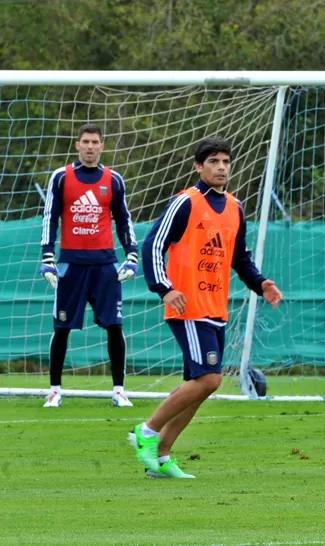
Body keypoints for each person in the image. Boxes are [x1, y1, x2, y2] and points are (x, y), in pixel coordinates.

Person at [128, 137, 283, 478]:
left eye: (226, 161)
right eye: (213, 161)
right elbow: (153, 244)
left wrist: (261, 283)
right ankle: (147, 431)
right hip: (187, 306)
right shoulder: (185, 202)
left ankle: (162, 458)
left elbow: (239, 257)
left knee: (196, 388)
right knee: (210, 380)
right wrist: (164, 289)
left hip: (215, 307)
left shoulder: (235, 207)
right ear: (199, 166)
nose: (221, 167)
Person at [39, 123, 139, 408]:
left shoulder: (114, 180)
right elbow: (51, 217)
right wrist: (48, 258)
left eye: (95, 142)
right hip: (70, 265)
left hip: (105, 265)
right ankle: (55, 390)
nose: (91, 146)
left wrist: (131, 254)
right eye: (86, 141)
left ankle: (119, 391)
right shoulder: (61, 177)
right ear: (77, 145)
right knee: (62, 327)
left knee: (114, 326)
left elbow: (124, 220)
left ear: (102, 146)